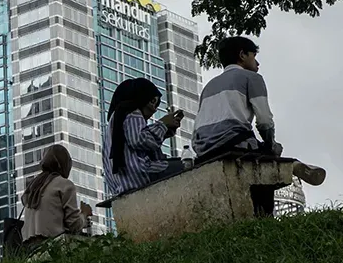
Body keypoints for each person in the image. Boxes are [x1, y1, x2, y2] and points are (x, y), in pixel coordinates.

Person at [191, 36, 325, 187]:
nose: (257, 63)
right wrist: (271, 144)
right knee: (268, 154)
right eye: (254, 56)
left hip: (203, 150)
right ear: (242, 55)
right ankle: (292, 166)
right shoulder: (252, 78)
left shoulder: (208, 87)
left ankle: (292, 164)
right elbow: (264, 121)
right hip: (233, 143)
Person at [103, 78, 185, 197]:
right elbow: (139, 139)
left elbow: (138, 139)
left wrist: (166, 128)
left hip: (121, 183)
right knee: (187, 166)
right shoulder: (133, 113)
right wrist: (162, 124)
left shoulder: (116, 120)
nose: (154, 109)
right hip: (139, 174)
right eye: (152, 102)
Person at [21, 144, 93, 245]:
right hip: (52, 246)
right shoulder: (65, 185)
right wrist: (84, 214)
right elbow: (74, 225)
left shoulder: (34, 186)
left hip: (30, 249)